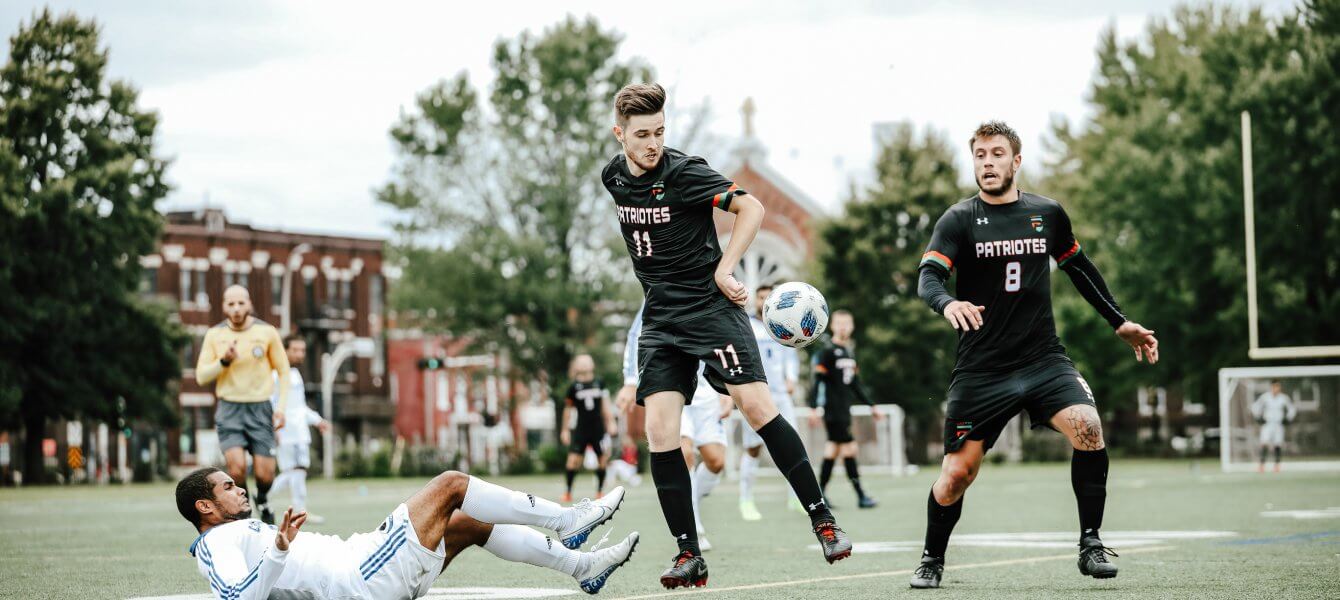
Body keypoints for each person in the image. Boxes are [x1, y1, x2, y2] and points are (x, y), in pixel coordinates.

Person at [602, 82, 850, 589]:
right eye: (642, 134)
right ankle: (689, 555)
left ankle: (823, 519)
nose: (653, 143)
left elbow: (752, 207)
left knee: (758, 409)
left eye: (660, 132)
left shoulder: (686, 171)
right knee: (660, 432)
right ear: (619, 134)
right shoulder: (613, 178)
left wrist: (726, 267)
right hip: (662, 320)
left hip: (712, 311)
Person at [910, 121, 1160, 589]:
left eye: (997, 154)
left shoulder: (1047, 214)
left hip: (1043, 359)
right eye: (980, 154)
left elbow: (1080, 269)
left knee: (1089, 427)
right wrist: (949, 303)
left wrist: (1119, 322)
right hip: (981, 369)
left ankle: (1090, 542)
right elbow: (927, 278)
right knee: (956, 476)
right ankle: (931, 557)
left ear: (1016, 161)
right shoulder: (958, 220)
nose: (987, 163)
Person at [175, 467, 636, 599]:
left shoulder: (233, 532)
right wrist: (277, 549)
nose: (239, 490)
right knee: (451, 485)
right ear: (205, 506)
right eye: (228, 488)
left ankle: (583, 568)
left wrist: (276, 550)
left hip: (364, 568)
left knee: (469, 523)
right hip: (361, 577)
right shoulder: (215, 543)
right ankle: (568, 521)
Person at [196, 285, 290, 524]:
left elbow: (284, 371)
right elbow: (202, 376)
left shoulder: (267, 332)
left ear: (249, 304)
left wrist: (280, 408)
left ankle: (263, 498)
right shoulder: (214, 335)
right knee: (236, 469)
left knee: (265, 473)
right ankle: (244, 513)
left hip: (260, 408)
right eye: (231, 304)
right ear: (223, 307)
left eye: (241, 303)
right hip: (230, 408)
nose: (236, 309)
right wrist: (224, 361)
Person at [739, 283, 804, 520]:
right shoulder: (746, 325)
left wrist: (791, 378)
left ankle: (796, 497)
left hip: (780, 395)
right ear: (756, 300)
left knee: (793, 445)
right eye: (761, 297)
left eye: (769, 297)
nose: (764, 301)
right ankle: (746, 500)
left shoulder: (783, 324)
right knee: (753, 448)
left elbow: (791, 355)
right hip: (756, 395)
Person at [808, 309, 880, 509]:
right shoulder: (827, 351)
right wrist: (813, 408)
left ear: (852, 326)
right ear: (832, 326)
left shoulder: (849, 351)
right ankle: (860, 496)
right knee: (849, 448)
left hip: (844, 410)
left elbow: (855, 384)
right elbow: (817, 382)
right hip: (833, 411)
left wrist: (871, 405)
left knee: (833, 449)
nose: (843, 327)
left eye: (847, 323)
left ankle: (819, 496)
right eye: (839, 323)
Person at [268, 335, 330, 523]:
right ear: (284, 350)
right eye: (295, 350)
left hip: (300, 431)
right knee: (294, 470)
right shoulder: (274, 374)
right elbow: (271, 403)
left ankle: (299, 510)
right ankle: (264, 495)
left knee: (297, 471)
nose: (300, 354)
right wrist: (274, 429)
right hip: (286, 431)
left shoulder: (294, 374)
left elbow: (299, 406)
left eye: (302, 350)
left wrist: (317, 420)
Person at [561, 354, 617, 502]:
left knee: (603, 458)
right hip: (581, 429)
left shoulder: (599, 382)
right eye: (582, 362)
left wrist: (611, 422)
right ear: (577, 366)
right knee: (573, 460)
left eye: (587, 361)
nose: (585, 364)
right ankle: (568, 491)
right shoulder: (573, 387)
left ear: (592, 364)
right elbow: (568, 410)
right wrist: (565, 430)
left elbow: (605, 404)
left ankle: (599, 491)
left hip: (598, 428)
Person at [1251, 380, 1297, 473]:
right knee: (1264, 443)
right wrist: (1258, 418)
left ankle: (1277, 465)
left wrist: (1287, 419)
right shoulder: (1265, 397)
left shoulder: (1283, 398)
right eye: (1274, 387)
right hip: (1268, 424)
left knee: (1278, 444)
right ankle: (1261, 465)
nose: (1276, 389)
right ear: (1271, 387)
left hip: (1278, 424)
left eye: (1278, 387)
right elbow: (1255, 407)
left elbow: (1292, 409)